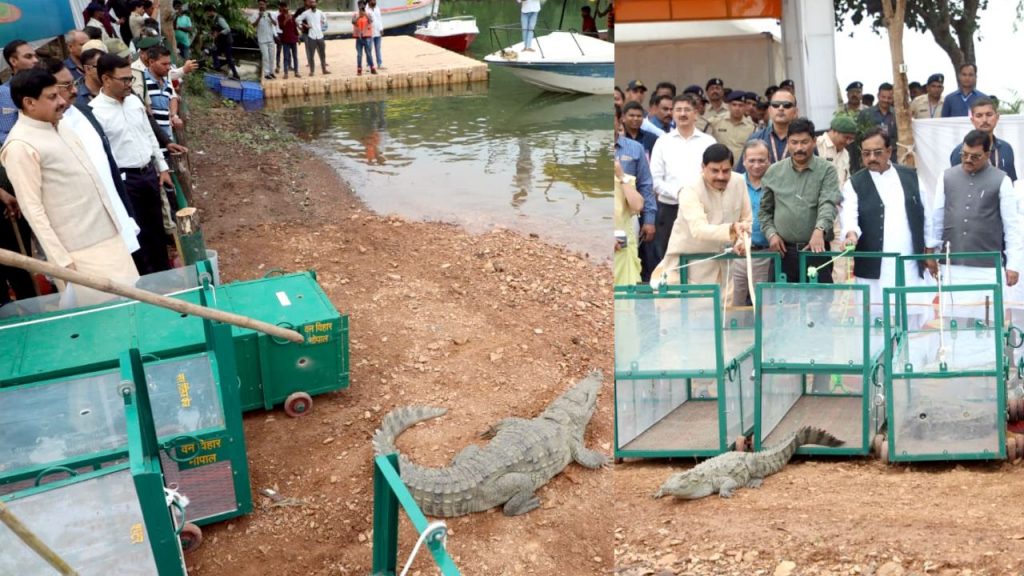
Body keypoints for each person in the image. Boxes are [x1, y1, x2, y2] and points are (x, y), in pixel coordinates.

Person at [1, 68, 139, 306]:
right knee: (107, 321)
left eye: (59, 94)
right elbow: (32, 209)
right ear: (29, 103)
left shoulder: (61, 126)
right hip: (80, 254)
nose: (63, 102)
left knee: (135, 305)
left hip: (112, 238)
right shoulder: (20, 146)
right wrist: (63, 263)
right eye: (52, 97)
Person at [43, 57, 140, 260]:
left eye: (74, 83)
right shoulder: (41, 135)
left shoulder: (86, 113)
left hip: (117, 218)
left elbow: (109, 168)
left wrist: (128, 214)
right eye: (66, 86)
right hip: (86, 239)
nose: (75, 91)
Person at [90, 53, 173, 275]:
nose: (129, 84)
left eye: (131, 79)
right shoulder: (95, 112)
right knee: (137, 230)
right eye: (124, 79)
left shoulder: (134, 101)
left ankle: (165, 272)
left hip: (148, 173)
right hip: (125, 180)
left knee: (157, 226)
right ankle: (145, 279)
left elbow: (149, 135)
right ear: (106, 79)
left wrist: (162, 167)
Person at [841, 128, 929, 319]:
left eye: (877, 152)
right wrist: (850, 234)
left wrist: (930, 250)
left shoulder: (911, 177)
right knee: (875, 321)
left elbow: (927, 215)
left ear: (889, 151)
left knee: (911, 318)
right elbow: (849, 216)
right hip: (873, 266)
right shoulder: (854, 183)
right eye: (866, 153)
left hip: (908, 261)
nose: (872, 157)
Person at [652, 144, 752, 298]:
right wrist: (732, 229)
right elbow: (698, 229)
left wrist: (741, 241)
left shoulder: (738, 182)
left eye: (726, 171)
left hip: (724, 270)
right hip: (687, 271)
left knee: (723, 319)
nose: (721, 176)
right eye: (714, 170)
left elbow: (746, 220)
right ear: (703, 167)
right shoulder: (689, 190)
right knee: (683, 320)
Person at [928, 129, 1021, 288]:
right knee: (953, 312)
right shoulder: (946, 177)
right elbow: (937, 218)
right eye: (964, 154)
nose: (968, 160)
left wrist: (1013, 264)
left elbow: (1011, 226)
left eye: (975, 156)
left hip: (987, 266)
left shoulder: (1002, 180)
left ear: (987, 154)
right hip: (951, 263)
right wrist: (931, 253)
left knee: (988, 311)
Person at [759, 117, 841, 284]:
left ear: (814, 141)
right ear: (788, 143)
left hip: (816, 251)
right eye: (794, 143)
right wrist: (771, 234)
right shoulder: (774, 172)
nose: (799, 148)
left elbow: (828, 203)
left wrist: (819, 230)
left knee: (819, 304)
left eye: (804, 142)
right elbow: (764, 211)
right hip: (782, 253)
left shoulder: (827, 170)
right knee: (780, 305)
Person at [649, 93, 716, 262]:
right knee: (669, 257)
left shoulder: (708, 142)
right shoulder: (663, 142)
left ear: (696, 113)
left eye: (687, 109)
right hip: (670, 208)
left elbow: (715, 175)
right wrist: (678, 193)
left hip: (702, 208)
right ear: (673, 114)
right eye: (678, 110)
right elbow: (655, 180)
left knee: (701, 257)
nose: (682, 114)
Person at [731, 140, 775, 306]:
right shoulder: (734, 182)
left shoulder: (776, 184)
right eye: (752, 160)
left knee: (764, 306)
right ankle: (732, 333)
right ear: (743, 160)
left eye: (761, 160)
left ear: (769, 160)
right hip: (737, 254)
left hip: (765, 254)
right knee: (733, 304)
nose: (757, 165)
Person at [615, 105, 656, 282]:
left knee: (627, 263)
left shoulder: (635, 148)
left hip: (628, 219)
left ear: (619, 121)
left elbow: (646, 185)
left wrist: (649, 220)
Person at [613, 107, 646, 285]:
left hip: (621, 245)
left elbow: (638, 205)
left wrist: (621, 176)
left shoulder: (624, 176)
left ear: (619, 122)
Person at [949, 97, 1017, 182]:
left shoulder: (1006, 148)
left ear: (997, 117)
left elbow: (1012, 182)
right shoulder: (961, 152)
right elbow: (956, 186)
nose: (984, 120)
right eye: (979, 116)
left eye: (989, 115)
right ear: (972, 120)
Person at [737, 88, 798, 172]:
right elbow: (741, 175)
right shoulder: (755, 139)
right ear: (769, 110)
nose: (780, 108)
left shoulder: (804, 141)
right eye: (776, 105)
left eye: (786, 105)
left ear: (795, 111)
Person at [708, 91, 754, 162]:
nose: (737, 108)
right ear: (728, 106)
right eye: (734, 105)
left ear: (745, 107)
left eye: (740, 105)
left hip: (740, 168)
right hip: (720, 165)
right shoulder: (716, 121)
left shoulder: (751, 127)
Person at [816, 115, 857, 190]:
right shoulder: (817, 146)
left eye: (851, 139)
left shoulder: (845, 154)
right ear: (834, 131)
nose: (848, 142)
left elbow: (846, 180)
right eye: (846, 137)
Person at [206, 5, 240, 80]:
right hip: (221, 42)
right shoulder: (213, 19)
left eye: (207, 12)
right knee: (214, 51)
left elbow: (227, 29)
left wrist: (218, 34)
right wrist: (212, 34)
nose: (207, 14)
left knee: (228, 58)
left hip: (226, 41)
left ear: (211, 11)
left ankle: (236, 75)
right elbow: (215, 29)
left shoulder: (219, 19)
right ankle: (217, 67)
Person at [297, 0, 328, 76]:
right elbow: (297, 19)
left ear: (316, 3)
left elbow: (325, 19)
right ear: (309, 4)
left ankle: (324, 70)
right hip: (311, 36)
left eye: (314, 2)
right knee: (311, 55)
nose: (312, 3)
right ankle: (312, 71)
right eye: (311, 2)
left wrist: (323, 21)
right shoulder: (306, 13)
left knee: (322, 54)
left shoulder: (320, 12)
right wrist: (304, 25)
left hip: (320, 36)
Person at [252, 0, 278, 79]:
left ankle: (271, 72)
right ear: (258, 5)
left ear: (266, 5)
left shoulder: (270, 14)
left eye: (263, 4)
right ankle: (266, 74)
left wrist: (270, 17)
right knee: (265, 57)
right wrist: (259, 17)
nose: (262, 6)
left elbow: (275, 23)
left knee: (272, 57)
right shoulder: (255, 14)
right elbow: (253, 25)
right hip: (262, 40)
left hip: (270, 39)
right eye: (260, 4)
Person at [351, 2, 375, 75]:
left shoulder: (368, 14)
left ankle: (372, 68)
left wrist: (365, 15)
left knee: (368, 53)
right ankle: (359, 69)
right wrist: (359, 16)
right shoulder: (355, 14)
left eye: (363, 6)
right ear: (358, 6)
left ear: (365, 6)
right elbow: (353, 22)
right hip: (359, 38)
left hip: (367, 37)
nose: (361, 7)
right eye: (360, 6)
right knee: (359, 54)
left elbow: (371, 21)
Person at [278, 1, 300, 79]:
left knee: (295, 56)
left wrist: (298, 37)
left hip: (293, 39)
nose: (284, 8)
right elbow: (281, 27)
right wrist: (286, 19)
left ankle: (296, 72)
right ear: (280, 8)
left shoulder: (292, 16)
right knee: (286, 57)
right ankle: (286, 73)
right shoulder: (280, 17)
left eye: (285, 7)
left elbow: (294, 28)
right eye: (282, 7)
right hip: (285, 40)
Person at [369, 0, 384, 70]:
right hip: (369, 33)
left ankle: (379, 64)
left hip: (378, 32)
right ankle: (369, 65)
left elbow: (379, 19)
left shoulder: (377, 8)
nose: (374, 1)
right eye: (373, 0)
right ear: (369, 1)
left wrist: (381, 29)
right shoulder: (366, 10)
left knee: (378, 49)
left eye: (375, 0)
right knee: (369, 49)